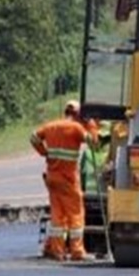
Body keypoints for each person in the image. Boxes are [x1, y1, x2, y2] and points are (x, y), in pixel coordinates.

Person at [31, 100, 96, 261]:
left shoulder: (51, 126)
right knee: (76, 214)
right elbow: (93, 143)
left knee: (57, 215)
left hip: (52, 178)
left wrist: (44, 152)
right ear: (78, 115)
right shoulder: (76, 128)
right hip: (68, 180)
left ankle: (57, 251)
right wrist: (92, 125)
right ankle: (77, 251)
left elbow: (33, 137)